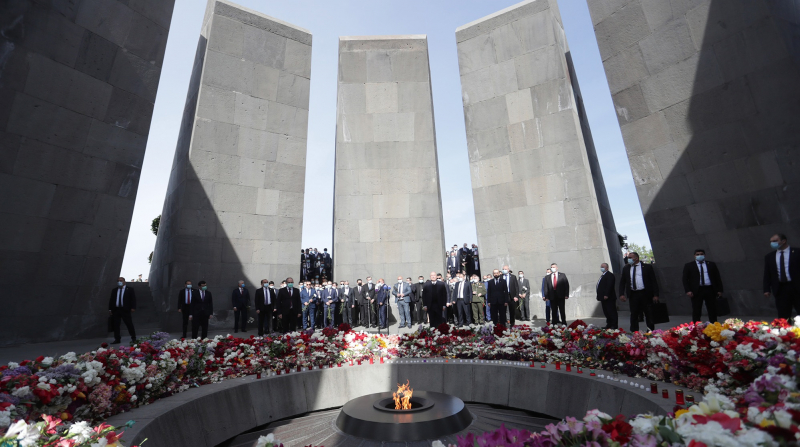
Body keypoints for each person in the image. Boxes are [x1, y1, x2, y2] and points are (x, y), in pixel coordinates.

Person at [620, 252, 660, 332]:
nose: (629, 259)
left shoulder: (647, 267)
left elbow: (653, 281)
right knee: (634, 314)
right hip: (633, 294)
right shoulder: (626, 268)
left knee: (648, 313)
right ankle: (634, 332)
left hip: (645, 293)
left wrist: (656, 294)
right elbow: (622, 282)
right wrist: (621, 294)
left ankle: (650, 331)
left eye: (631, 257)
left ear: (636, 258)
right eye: (628, 258)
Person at [682, 249, 723, 323]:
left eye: (701, 254)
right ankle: (696, 327)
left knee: (712, 309)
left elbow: (717, 277)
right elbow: (685, 279)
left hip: (710, 289)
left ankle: (714, 326)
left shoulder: (711, 264)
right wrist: (688, 290)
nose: (699, 256)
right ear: (694, 256)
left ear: (704, 255)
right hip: (697, 290)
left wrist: (719, 290)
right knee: (696, 310)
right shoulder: (689, 265)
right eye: (697, 254)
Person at [764, 234, 799, 319]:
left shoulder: (797, 252)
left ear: (783, 241)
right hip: (780, 288)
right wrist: (766, 289)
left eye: (775, 241)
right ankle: (787, 331)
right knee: (783, 315)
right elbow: (767, 273)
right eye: (771, 241)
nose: (772, 243)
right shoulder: (770, 256)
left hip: (796, 286)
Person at [108, 277, 136, 344]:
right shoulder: (114, 290)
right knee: (116, 325)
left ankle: (133, 338)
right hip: (116, 310)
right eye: (118, 281)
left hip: (125, 310)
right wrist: (110, 309)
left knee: (129, 324)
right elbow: (111, 300)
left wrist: (133, 307)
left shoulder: (129, 289)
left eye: (121, 280)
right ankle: (117, 339)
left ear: (124, 281)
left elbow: (133, 299)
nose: (119, 282)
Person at [596, 264, 617, 329]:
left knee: (611, 311)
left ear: (607, 268)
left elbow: (609, 286)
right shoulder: (603, 275)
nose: (601, 268)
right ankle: (609, 324)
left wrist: (606, 294)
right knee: (606, 312)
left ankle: (614, 325)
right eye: (601, 267)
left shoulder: (610, 275)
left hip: (609, 297)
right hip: (603, 297)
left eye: (603, 267)